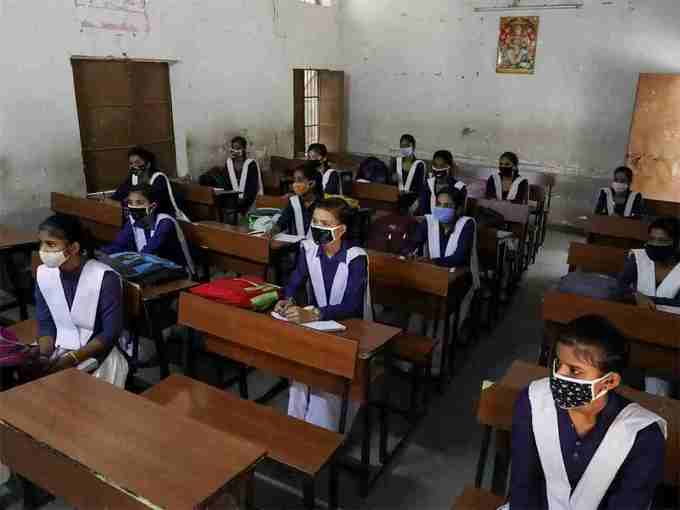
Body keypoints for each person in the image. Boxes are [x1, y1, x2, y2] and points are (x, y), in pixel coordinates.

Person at [505, 315, 666, 510]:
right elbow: (523, 485)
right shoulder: (533, 401)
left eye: (574, 370)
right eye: (558, 363)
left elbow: (628, 504)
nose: (559, 375)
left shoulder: (642, 434)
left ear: (609, 382)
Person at [273, 198, 370, 431]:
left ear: (341, 229)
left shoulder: (356, 257)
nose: (318, 227)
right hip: (320, 325)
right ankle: (295, 426)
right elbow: (295, 281)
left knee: (324, 385)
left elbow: (352, 305)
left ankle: (320, 432)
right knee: (300, 375)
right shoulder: (308, 249)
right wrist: (287, 299)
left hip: (351, 328)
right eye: (315, 222)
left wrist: (315, 314)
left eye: (325, 224)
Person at [34, 214, 129, 387]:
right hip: (59, 345)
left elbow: (110, 333)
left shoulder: (104, 278)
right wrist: (44, 355)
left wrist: (73, 358)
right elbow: (45, 322)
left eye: (51, 244)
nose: (43, 250)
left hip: (99, 352)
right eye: (41, 243)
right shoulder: (44, 274)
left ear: (73, 248)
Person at [408, 187, 480, 372]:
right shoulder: (429, 221)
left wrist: (431, 261)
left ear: (458, 209)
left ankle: (435, 367)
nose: (441, 209)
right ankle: (411, 359)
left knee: (442, 324)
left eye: (447, 206)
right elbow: (414, 244)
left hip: (460, 281)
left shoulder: (467, 224)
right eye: (439, 204)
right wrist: (410, 253)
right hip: (433, 280)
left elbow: (459, 257)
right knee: (417, 315)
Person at [617, 216, 680, 396]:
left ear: (676, 243)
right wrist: (635, 295)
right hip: (635, 327)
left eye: (662, 241)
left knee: (657, 379)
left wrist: (650, 302)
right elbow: (619, 286)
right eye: (651, 239)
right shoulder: (639, 258)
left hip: (670, 336)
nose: (655, 244)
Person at [101, 185, 195, 275]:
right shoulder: (133, 222)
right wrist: (101, 254)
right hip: (153, 268)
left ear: (152, 207)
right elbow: (119, 244)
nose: (133, 207)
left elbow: (149, 251)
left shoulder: (165, 222)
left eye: (139, 203)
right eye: (130, 202)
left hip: (179, 271)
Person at [112, 147, 189, 221]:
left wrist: (127, 203)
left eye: (137, 162)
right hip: (145, 217)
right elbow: (117, 196)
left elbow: (153, 203)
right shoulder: (133, 178)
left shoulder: (158, 178)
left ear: (148, 164)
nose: (133, 166)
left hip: (168, 218)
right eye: (131, 163)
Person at [271, 162, 322, 238]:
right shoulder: (293, 202)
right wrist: (271, 233)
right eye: (294, 180)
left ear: (311, 184)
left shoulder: (322, 204)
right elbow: (281, 224)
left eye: (299, 180)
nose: (295, 184)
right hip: (295, 243)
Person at [417, 150, 467, 216]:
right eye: (435, 165)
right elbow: (421, 207)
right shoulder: (428, 184)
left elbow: (459, 213)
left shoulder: (459, 187)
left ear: (450, 167)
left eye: (442, 166)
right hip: (426, 220)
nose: (437, 169)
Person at [223, 136, 263, 213]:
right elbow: (226, 183)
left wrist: (244, 198)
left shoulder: (251, 164)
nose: (235, 150)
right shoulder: (229, 164)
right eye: (233, 148)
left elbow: (253, 186)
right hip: (232, 199)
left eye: (238, 148)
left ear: (244, 149)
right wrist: (233, 197)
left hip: (248, 199)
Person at [391, 134, 426, 199]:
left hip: (412, 198)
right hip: (395, 197)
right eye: (402, 146)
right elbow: (389, 183)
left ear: (413, 146)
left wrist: (409, 193)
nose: (404, 148)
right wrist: (392, 179)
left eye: (407, 146)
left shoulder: (419, 165)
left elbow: (420, 187)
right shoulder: (396, 162)